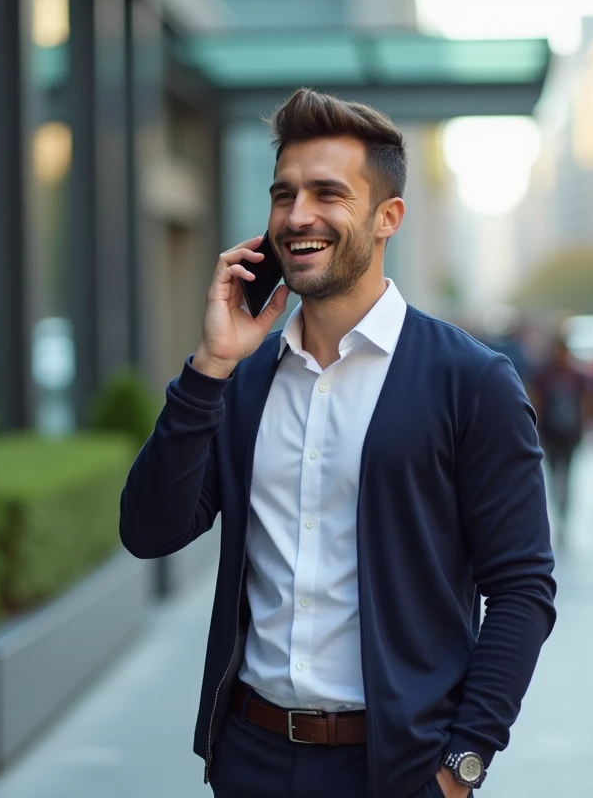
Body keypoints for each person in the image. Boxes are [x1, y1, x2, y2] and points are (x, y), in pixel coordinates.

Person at [119, 88, 556, 798]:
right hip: (250, 759)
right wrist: (210, 367)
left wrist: (462, 767)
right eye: (283, 194)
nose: (298, 217)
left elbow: (522, 590)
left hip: (397, 771)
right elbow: (148, 530)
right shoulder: (243, 381)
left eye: (328, 193)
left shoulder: (471, 383)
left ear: (388, 218)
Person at [529, 337, 589, 537]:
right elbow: (535, 401)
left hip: (570, 433)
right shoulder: (543, 375)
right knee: (555, 475)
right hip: (551, 433)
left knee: (567, 474)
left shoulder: (576, 375)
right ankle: (559, 507)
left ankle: (564, 512)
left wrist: (585, 425)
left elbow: (586, 402)